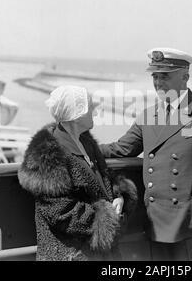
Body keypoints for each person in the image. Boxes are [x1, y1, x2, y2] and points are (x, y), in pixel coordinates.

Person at [99, 48, 192, 261]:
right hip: (157, 221)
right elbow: (121, 149)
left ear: (185, 76)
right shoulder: (149, 115)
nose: (158, 82)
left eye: (165, 76)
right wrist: (79, 146)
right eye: (155, 76)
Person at [18, 85, 137, 261]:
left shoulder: (86, 143)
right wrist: (105, 218)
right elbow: (59, 211)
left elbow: (102, 181)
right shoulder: (46, 156)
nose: (95, 113)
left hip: (96, 252)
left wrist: (118, 196)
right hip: (68, 254)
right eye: (90, 108)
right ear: (76, 114)